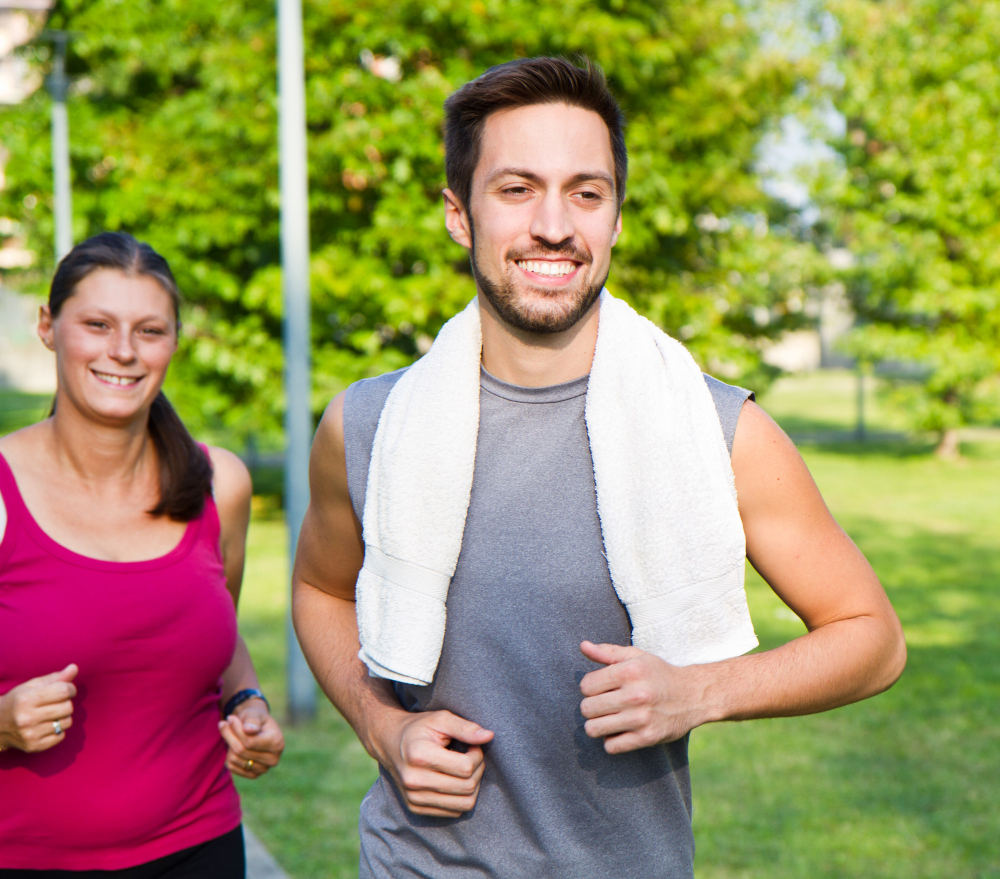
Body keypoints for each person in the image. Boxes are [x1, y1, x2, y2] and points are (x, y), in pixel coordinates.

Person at [292, 57, 906, 878]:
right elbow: (320, 589)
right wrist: (381, 726)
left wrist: (703, 689)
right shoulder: (366, 425)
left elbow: (874, 639)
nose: (555, 225)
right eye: (516, 190)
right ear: (458, 214)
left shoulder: (720, 432)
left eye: (587, 192)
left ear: (615, 219)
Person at [0, 233, 284, 876]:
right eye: (97, 325)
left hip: (201, 848)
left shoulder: (221, 485)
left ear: (173, 343)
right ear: (48, 327)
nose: (123, 351)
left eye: (149, 330)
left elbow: (219, 638)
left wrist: (247, 705)